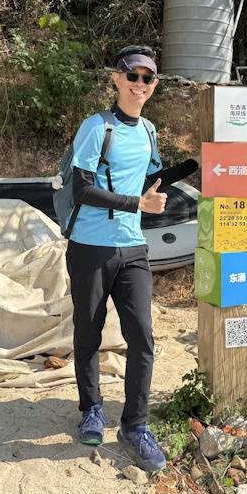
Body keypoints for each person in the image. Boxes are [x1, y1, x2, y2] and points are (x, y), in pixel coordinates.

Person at [66, 45, 168, 472]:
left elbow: (148, 176)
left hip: (133, 249)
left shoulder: (148, 131)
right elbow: (82, 189)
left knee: (142, 338)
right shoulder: (96, 127)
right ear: (116, 78)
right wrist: (136, 204)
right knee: (89, 334)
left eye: (147, 78)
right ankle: (91, 409)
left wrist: (188, 173)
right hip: (90, 246)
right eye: (133, 76)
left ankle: (135, 425)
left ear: (154, 85)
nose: (139, 84)